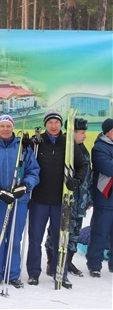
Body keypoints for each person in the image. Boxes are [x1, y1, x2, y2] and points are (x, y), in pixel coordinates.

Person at [0, 115, 40, 288]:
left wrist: (25, 186)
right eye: (2, 126)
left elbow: (33, 171)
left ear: (13, 128)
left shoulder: (23, 147)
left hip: (18, 200)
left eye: (8, 126)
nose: (5, 129)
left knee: (14, 237)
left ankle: (12, 274)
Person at [25, 110, 87, 289]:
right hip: (39, 199)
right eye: (50, 122)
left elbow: (82, 164)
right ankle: (34, 273)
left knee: (62, 238)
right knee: (35, 238)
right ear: (45, 124)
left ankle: (61, 272)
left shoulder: (68, 143)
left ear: (61, 124)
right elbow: (27, 165)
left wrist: (77, 180)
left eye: (57, 122)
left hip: (62, 200)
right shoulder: (38, 143)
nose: (53, 126)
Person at [44, 118, 93, 277]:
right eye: (82, 133)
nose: (84, 136)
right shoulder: (64, 148)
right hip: (65, 201)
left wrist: (88, 198)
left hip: (80, 201)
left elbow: (87, 175)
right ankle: (52, 262)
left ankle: (68, 260)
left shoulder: (83, 150)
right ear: (73, 133)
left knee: (74, 232)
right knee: (57, 231)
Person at [87, 118, 113, 278]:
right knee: (99, 233)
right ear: (108, 131)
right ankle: (94, 264)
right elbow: (109, 168)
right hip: (105, 198)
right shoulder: (99, 148)